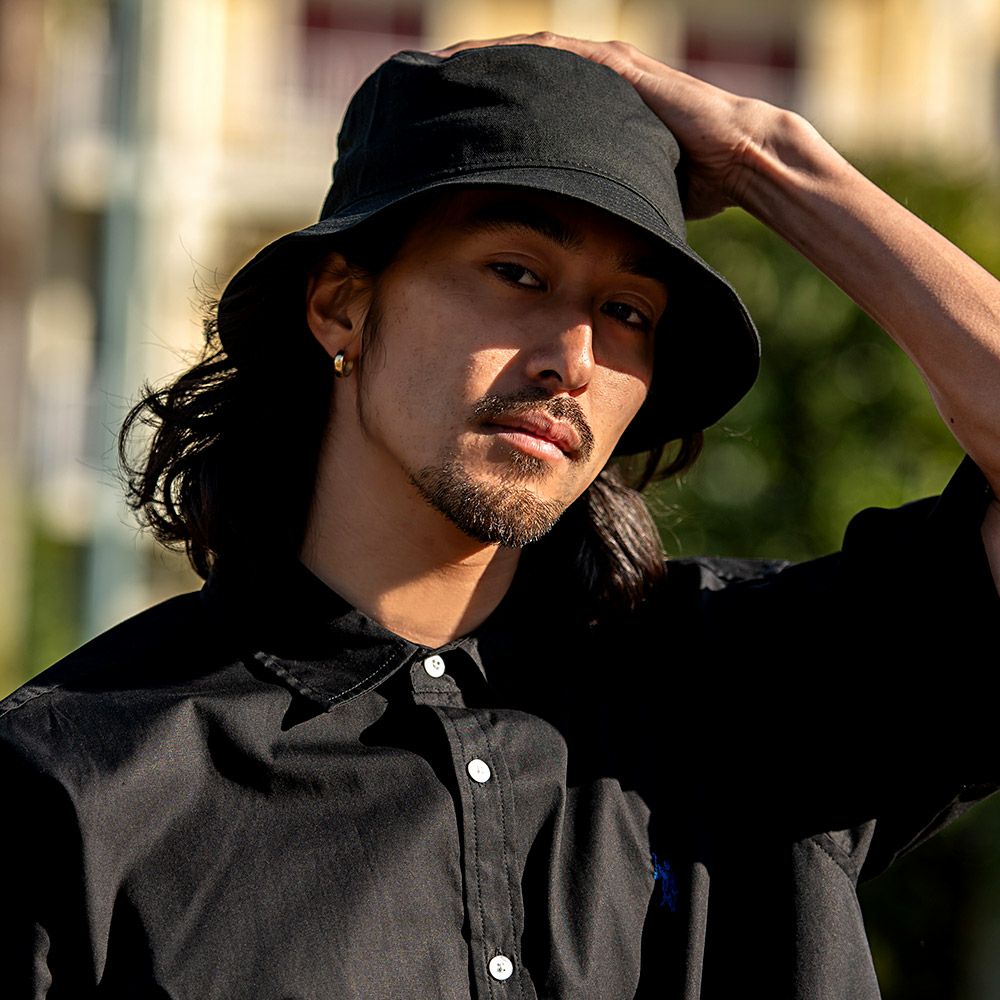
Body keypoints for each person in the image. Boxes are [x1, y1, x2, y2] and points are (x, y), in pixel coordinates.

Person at [2, 33, 999, 1000]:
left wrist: (765, 158)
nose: (574, 358)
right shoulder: (74, 784)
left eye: (628, 313)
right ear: (342, 305)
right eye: (518, 274)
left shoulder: (757, 689)